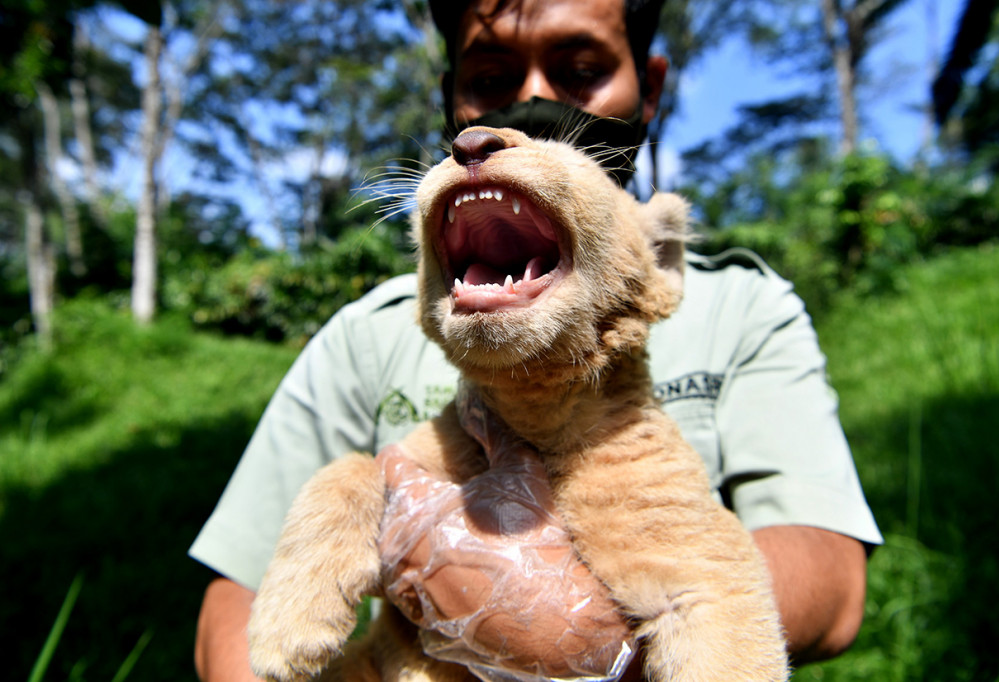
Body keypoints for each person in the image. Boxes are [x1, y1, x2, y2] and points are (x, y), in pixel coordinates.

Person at [191, 0, 883, 679]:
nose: (519, 112)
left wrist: (583, 633)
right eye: (490, 81)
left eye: (580, 67)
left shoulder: (747, 308)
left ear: (658, 264)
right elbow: (237, 605)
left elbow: (805, 586)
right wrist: (347, 501)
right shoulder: (359, 334)